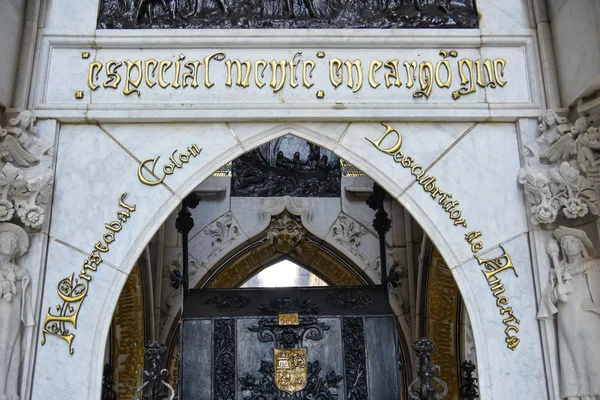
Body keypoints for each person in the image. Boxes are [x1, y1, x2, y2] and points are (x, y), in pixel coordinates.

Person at [538, 226, 600, 400]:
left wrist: (597, 308)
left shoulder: (593, 265)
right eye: (564, 243)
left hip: (589, 319)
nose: (567, 245)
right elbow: (547, 299)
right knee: (572, 360)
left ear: (581, 245)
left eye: (571, 241)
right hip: (567, 322)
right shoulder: (557, 271)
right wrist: (557, 292)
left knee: (593, 358)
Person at [0, 223, 33, 400]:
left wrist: (17, 278)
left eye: (14, 243)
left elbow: (22, 276)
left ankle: (10, 390)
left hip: (12, 317)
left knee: (12, 349)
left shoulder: (17, 270)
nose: (11, 245)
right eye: (6, 240)